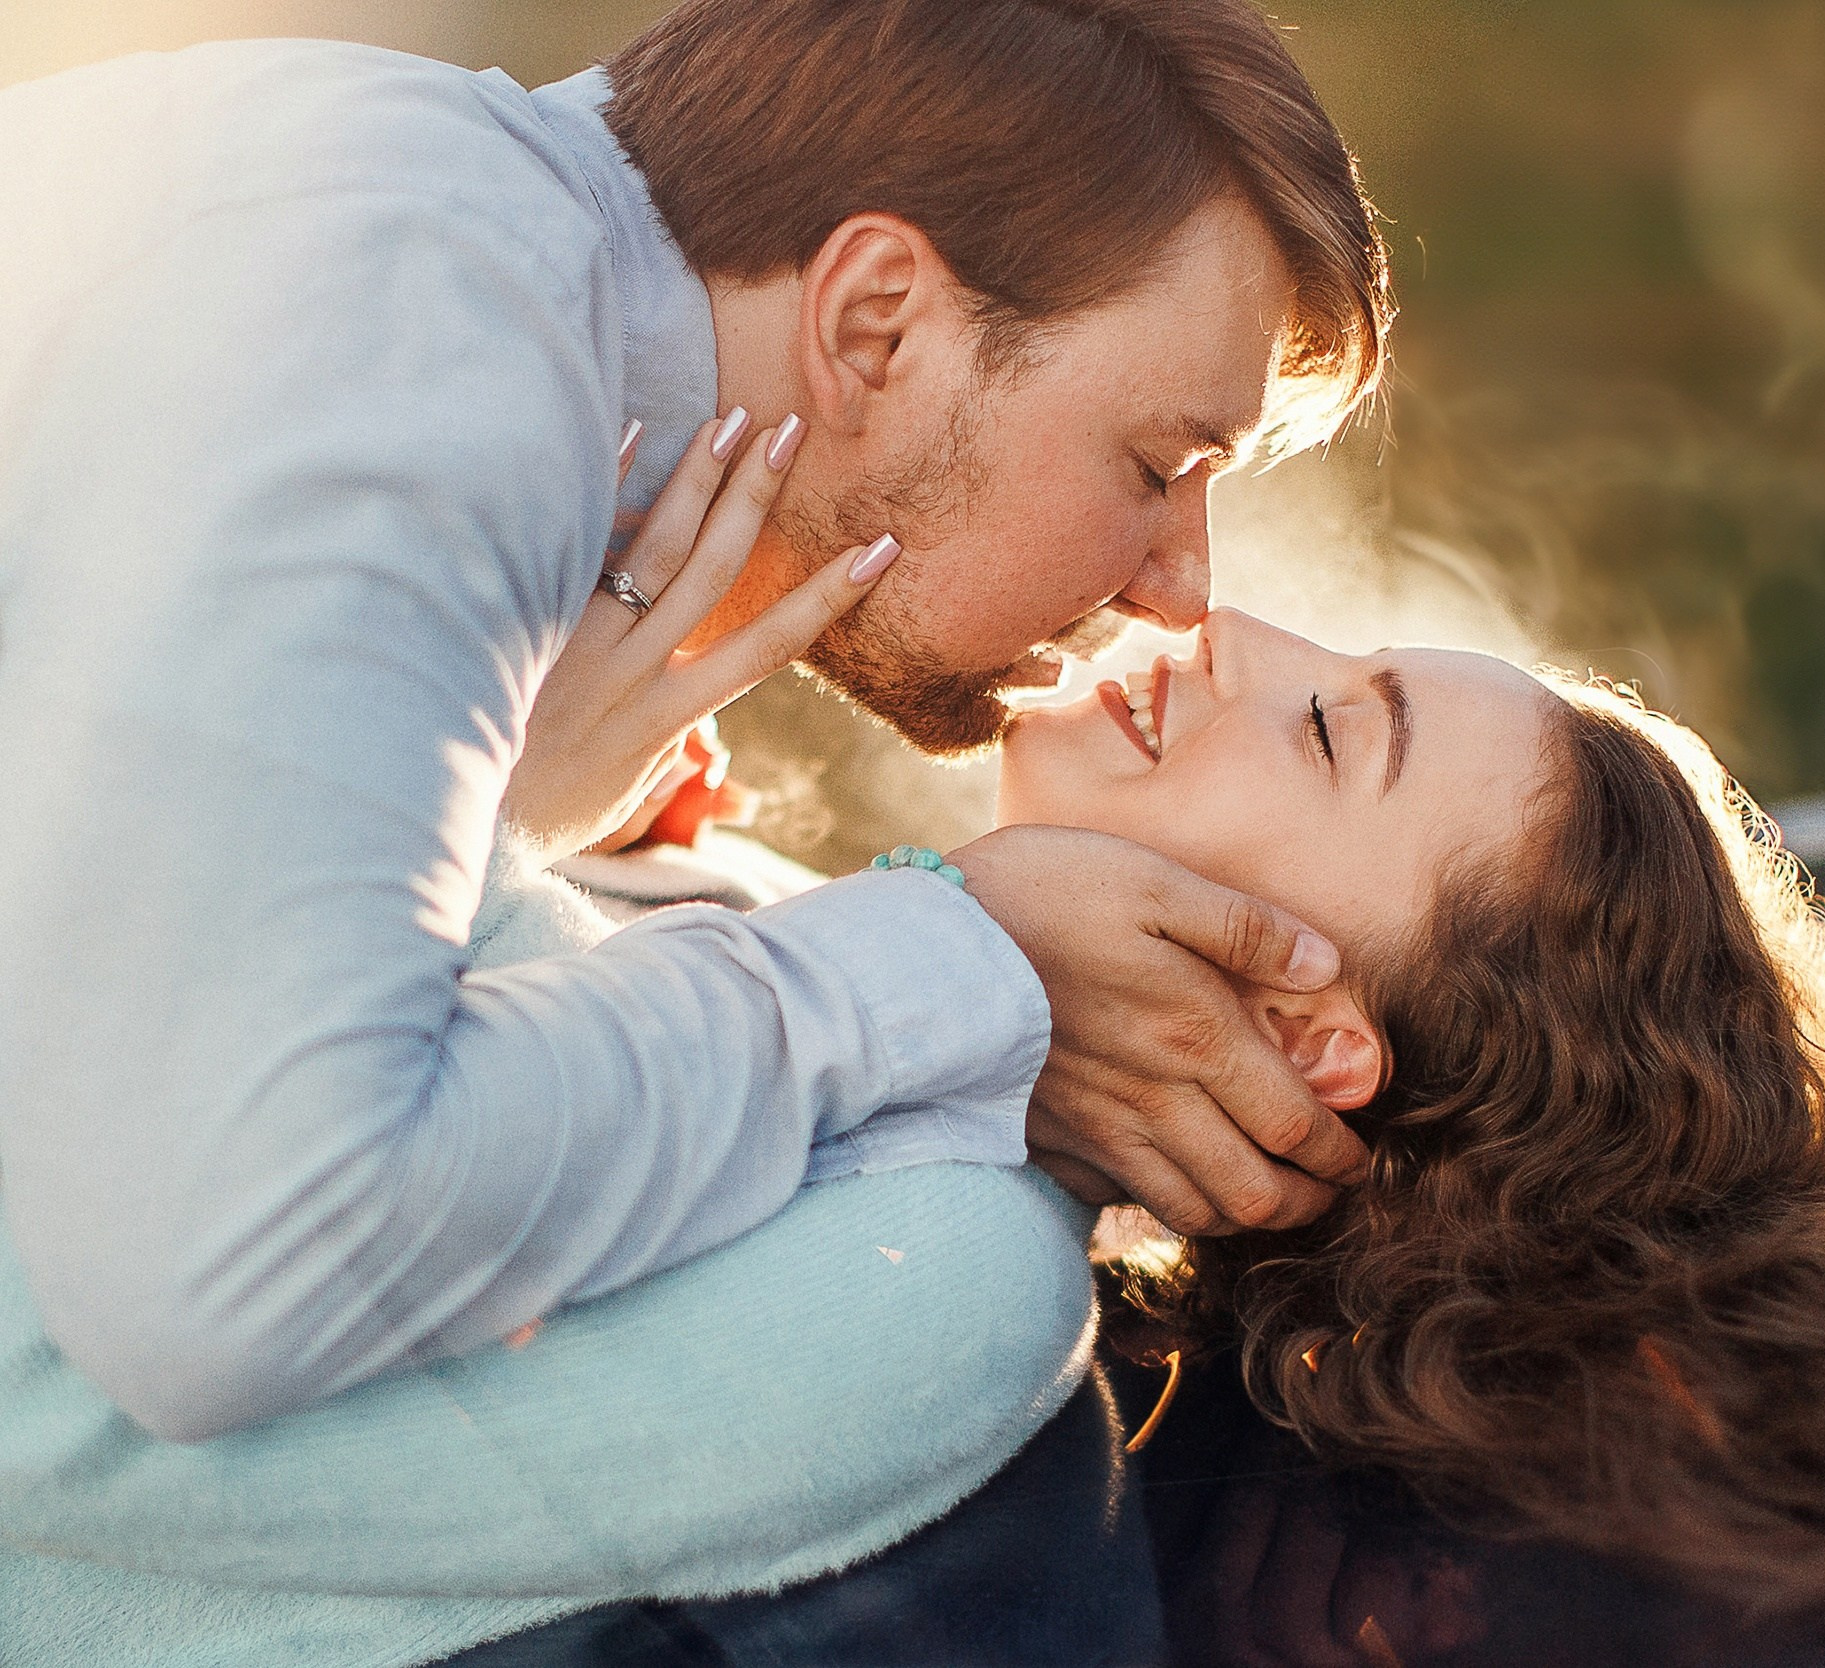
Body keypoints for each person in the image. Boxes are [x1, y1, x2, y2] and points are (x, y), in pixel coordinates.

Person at [6, 603, 1825, 1667]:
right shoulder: (881, 1088)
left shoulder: (987, 1357)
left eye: (1332, 733)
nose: (1217, 630)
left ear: (1322, 1034)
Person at [0, 0, 1391, 1455]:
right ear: (877, 322)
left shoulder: (428, 252)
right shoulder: (422, 348)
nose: (1188, 590)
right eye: (1160, 462)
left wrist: (503, 829)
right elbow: (221, 1272)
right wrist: (956, 956)